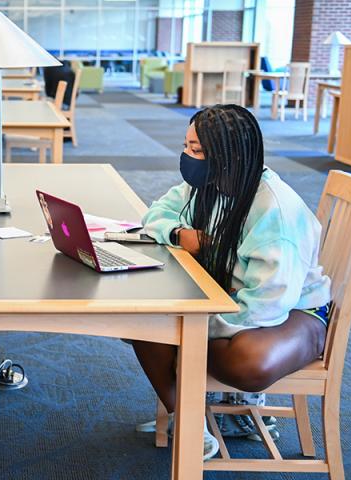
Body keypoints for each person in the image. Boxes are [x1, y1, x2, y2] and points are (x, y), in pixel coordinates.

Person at [133, 104, 332, 460]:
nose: (186, 157)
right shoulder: (209, 184)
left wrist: (195, 327)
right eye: (186, 146)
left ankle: (229, 403)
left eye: (197, 150)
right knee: (141, 316)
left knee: (246, 363)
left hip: (293, 311)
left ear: (229, 156)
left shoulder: (275, 213)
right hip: (228, 297)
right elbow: (155, 214)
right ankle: (189, 417)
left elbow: (267, 304)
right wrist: (180, 234)